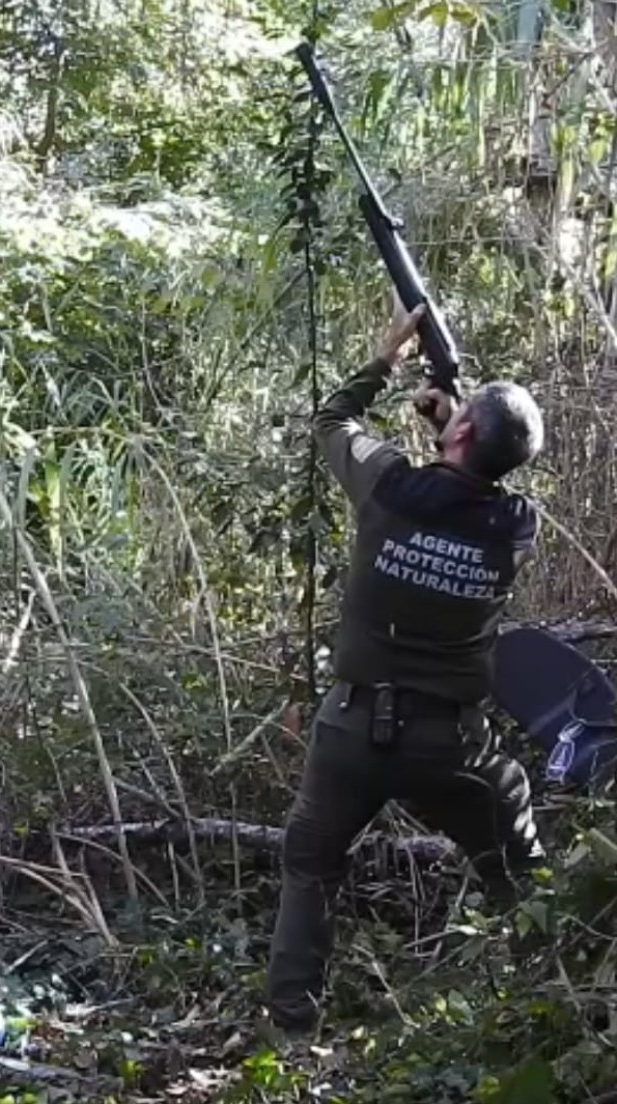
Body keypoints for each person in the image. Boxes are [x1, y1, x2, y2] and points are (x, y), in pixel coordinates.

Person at [266, 300, 546, 1034]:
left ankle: (293, 1033)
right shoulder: (518, 528)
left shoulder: (388, 488)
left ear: (457, 433)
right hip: (449, 742)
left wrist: (386, 357)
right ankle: (550, 999)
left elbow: (333, 421)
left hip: (353, 729)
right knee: (517, 868)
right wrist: (453, 430)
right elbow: (470, 488)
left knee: (311, 867)